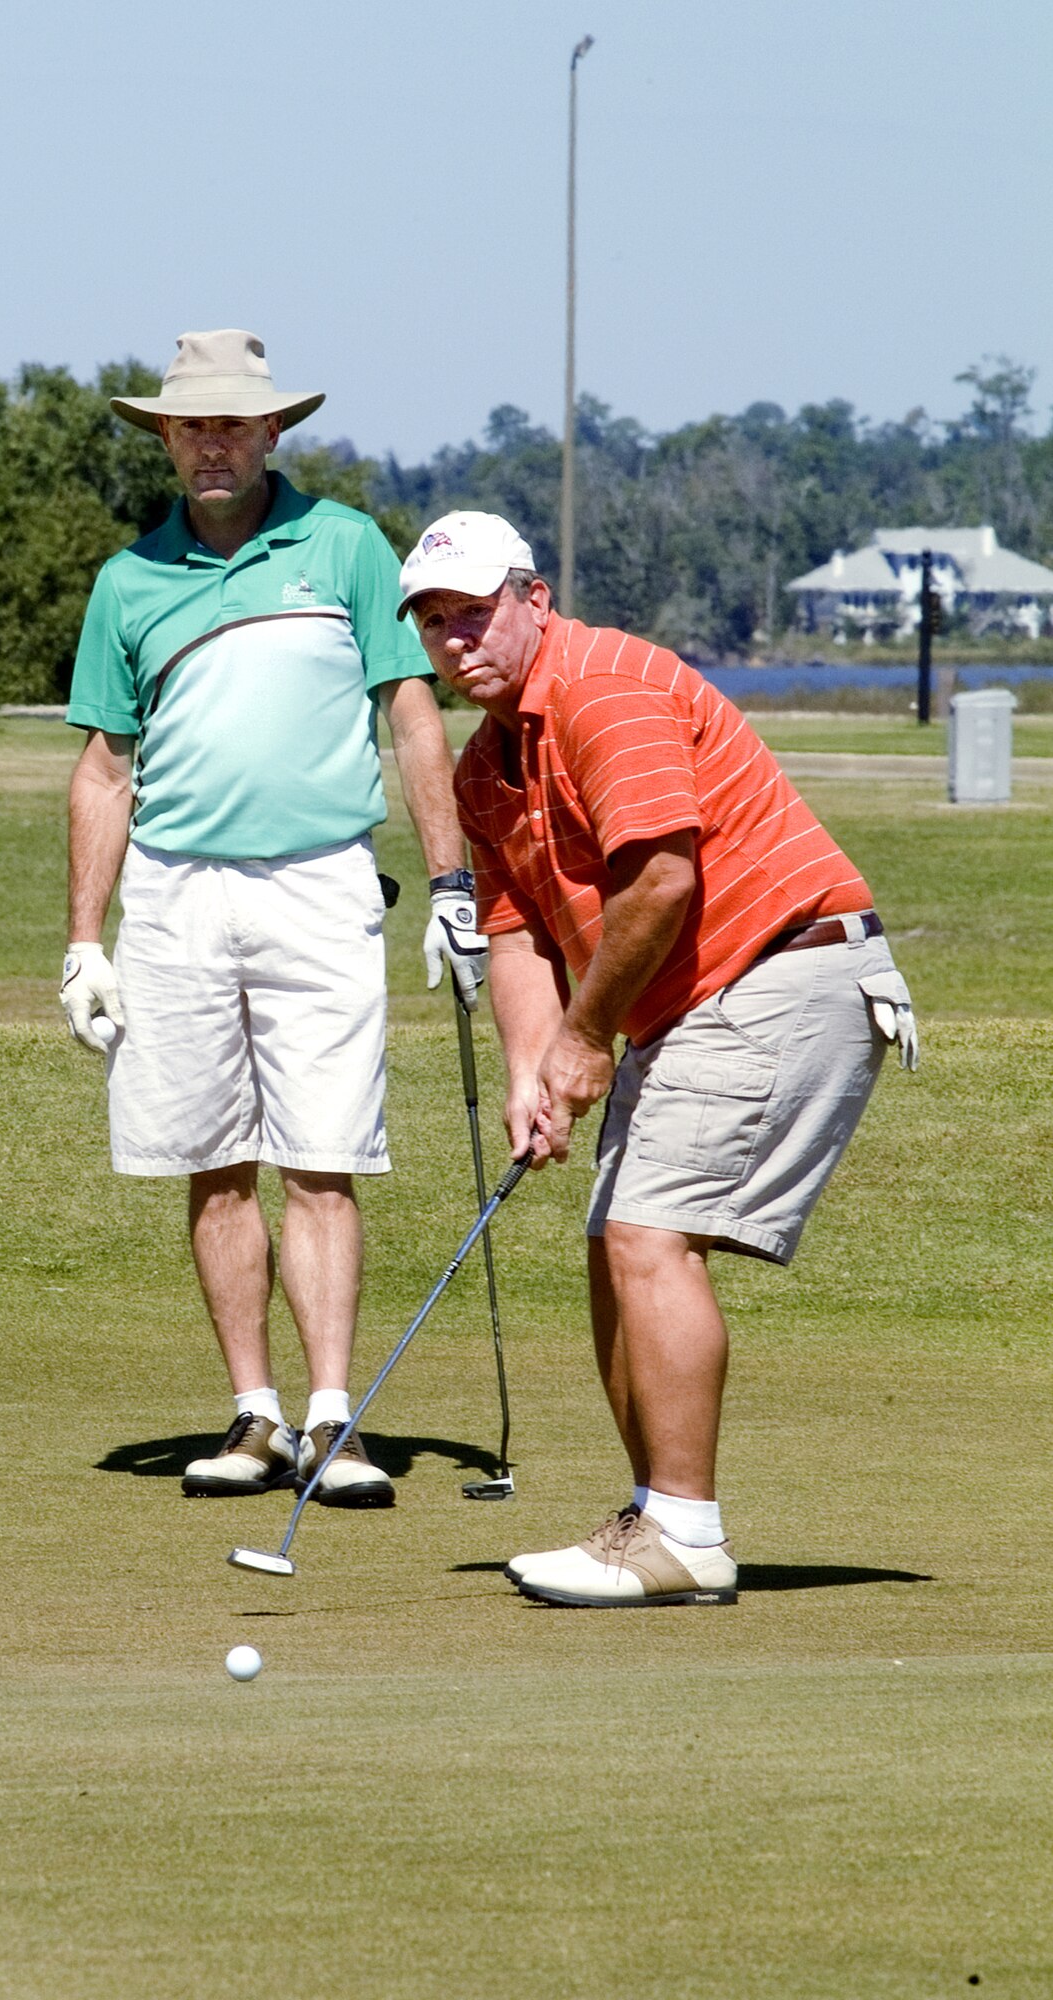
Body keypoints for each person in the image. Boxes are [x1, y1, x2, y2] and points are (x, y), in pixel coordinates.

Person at [397, 510, 918, 1605]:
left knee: (647, 1231)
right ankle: (653, 1517)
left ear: (533, 598)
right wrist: (532, 1074)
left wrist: (585, 1039)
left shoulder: (601, 684)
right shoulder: (487, 765)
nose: (455, 639)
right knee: (613, 1243)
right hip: (691, 1000)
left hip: (781, 966)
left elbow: (664, 882)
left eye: (474, 611)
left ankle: (684, 1532)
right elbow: (516, 932)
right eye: (434, 622)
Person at [61, 331, 484, 1509]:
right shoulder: (128, 578)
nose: (210, 443)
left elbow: (411, 717)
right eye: (189, 425)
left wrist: (452, 885)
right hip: (177, 892)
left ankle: (333, 1417)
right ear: (163, 437)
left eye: (231, 425)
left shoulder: (343, 544)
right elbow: (104, 767)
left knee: (324, 1153)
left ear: (271, 434)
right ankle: (254, 1412)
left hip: (320, 882)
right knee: (211, 1157)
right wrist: (84, 939)